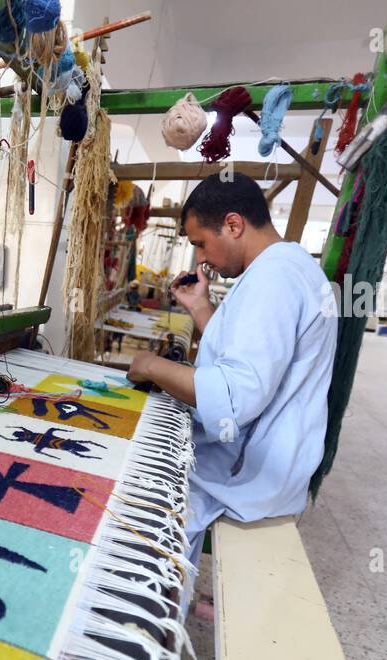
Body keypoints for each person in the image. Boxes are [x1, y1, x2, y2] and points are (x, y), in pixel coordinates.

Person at [126, 173, 337, 616]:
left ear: (234, 224)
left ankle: (148, 629)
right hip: (268, 457)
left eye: (201, 243)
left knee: (144, 524)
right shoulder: (286, 266)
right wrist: (201, 307)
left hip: (252, 471)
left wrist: (152, 366)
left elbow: (236, 395)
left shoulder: (274, 279)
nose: (202, 259)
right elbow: (248, 354)